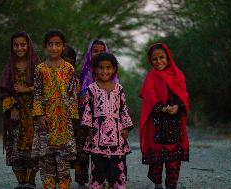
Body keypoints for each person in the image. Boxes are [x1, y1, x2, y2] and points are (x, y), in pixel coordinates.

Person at [31, 30, 79, 189]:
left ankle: (64, 185)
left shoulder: (68, 69)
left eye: (57, 44)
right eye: (50, 44)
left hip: (63, 122)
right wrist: (39, 115)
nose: (54, 48)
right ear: (45, 47)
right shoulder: (40, 69)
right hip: (45, 121)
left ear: (63, 47)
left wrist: (71, 118)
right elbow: (37, 93)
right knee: (46, 160)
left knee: (63, 161)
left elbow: (72, 94)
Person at [139, 43, 190, 189]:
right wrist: (164, 108)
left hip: (175, 123)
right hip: (158, 123)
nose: (159, 61)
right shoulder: (151, 77)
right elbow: (149, 97)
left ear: (168, 57)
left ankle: (171, 185)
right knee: (157, 158)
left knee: (174, 159)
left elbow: (184, 95)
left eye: (162, 57)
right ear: (150, 60)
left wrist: (177, 107)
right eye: (154, 59)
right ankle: (158, 184)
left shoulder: (177, 74)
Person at [81, 52, 133, 189]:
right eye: (101, 68)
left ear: (114, 69)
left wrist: (126, 127)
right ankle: (97, 185)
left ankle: (117, 185)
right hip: (97, 134)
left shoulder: (119, 89)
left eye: (108, 67)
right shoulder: (92, 89)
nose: (104, 71)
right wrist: (89, 128)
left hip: (117, 133)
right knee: (98, 165)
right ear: (95, 69)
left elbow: (123, 109)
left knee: (117, 166)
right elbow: (88, 109)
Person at [0, 31, 40, 189]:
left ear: (28, 45)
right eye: (16, 45)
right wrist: (12, 108)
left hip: (34, 114)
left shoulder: (37, 65)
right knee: (16, 148)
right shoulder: (9, 67)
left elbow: (45, 88)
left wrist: (26, 89)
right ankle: (21, 181)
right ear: (12, 47)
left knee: (33, 148)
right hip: (16, 115)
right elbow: (4, 91)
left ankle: (30, 181)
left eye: (23, 44)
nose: (19, 48)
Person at [76, 39, 114, 188]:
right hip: (83, 116)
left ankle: (100, 179)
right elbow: (78, 95)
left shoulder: (111, 74)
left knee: (102, 149)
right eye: (95, 51)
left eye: (102, 50)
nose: (98, 53)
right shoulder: (83, 73)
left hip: (104, 119)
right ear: (89, 53)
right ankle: (81, 180)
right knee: (83, 148)